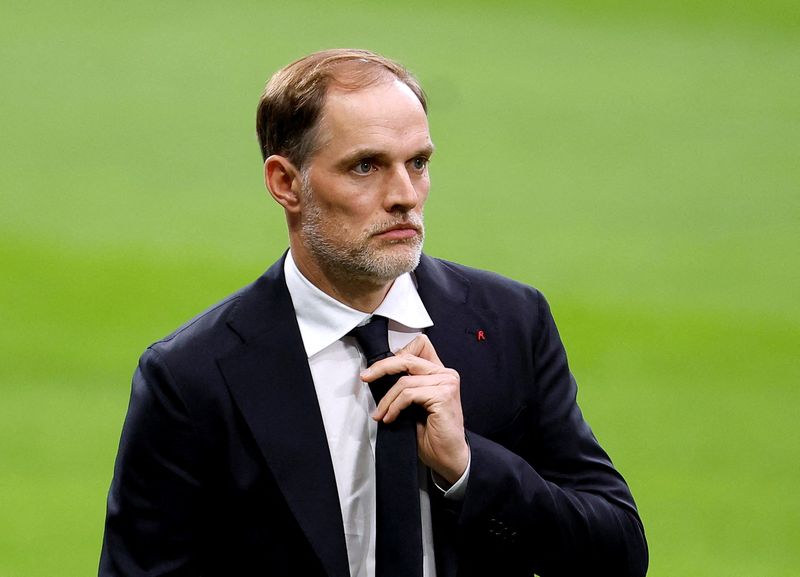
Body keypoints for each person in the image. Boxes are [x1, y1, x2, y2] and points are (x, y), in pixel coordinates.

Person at [100, 49, 648, 577]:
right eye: (366, 166)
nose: (405, 195)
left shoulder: (509, 322)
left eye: (419, 162)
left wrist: (468, 469)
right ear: (286, 183)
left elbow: (618, 552)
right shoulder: (192, 376)